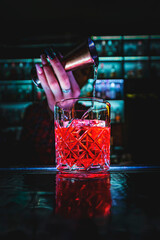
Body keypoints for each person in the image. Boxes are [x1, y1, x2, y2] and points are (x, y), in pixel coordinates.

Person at [20, 48, 92, 165]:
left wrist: (66, 115)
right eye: (80, 70)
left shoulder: (88, 114)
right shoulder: (33, 112)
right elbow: (22, 157)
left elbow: (87, 162)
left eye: (86, 74)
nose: (83, 76)